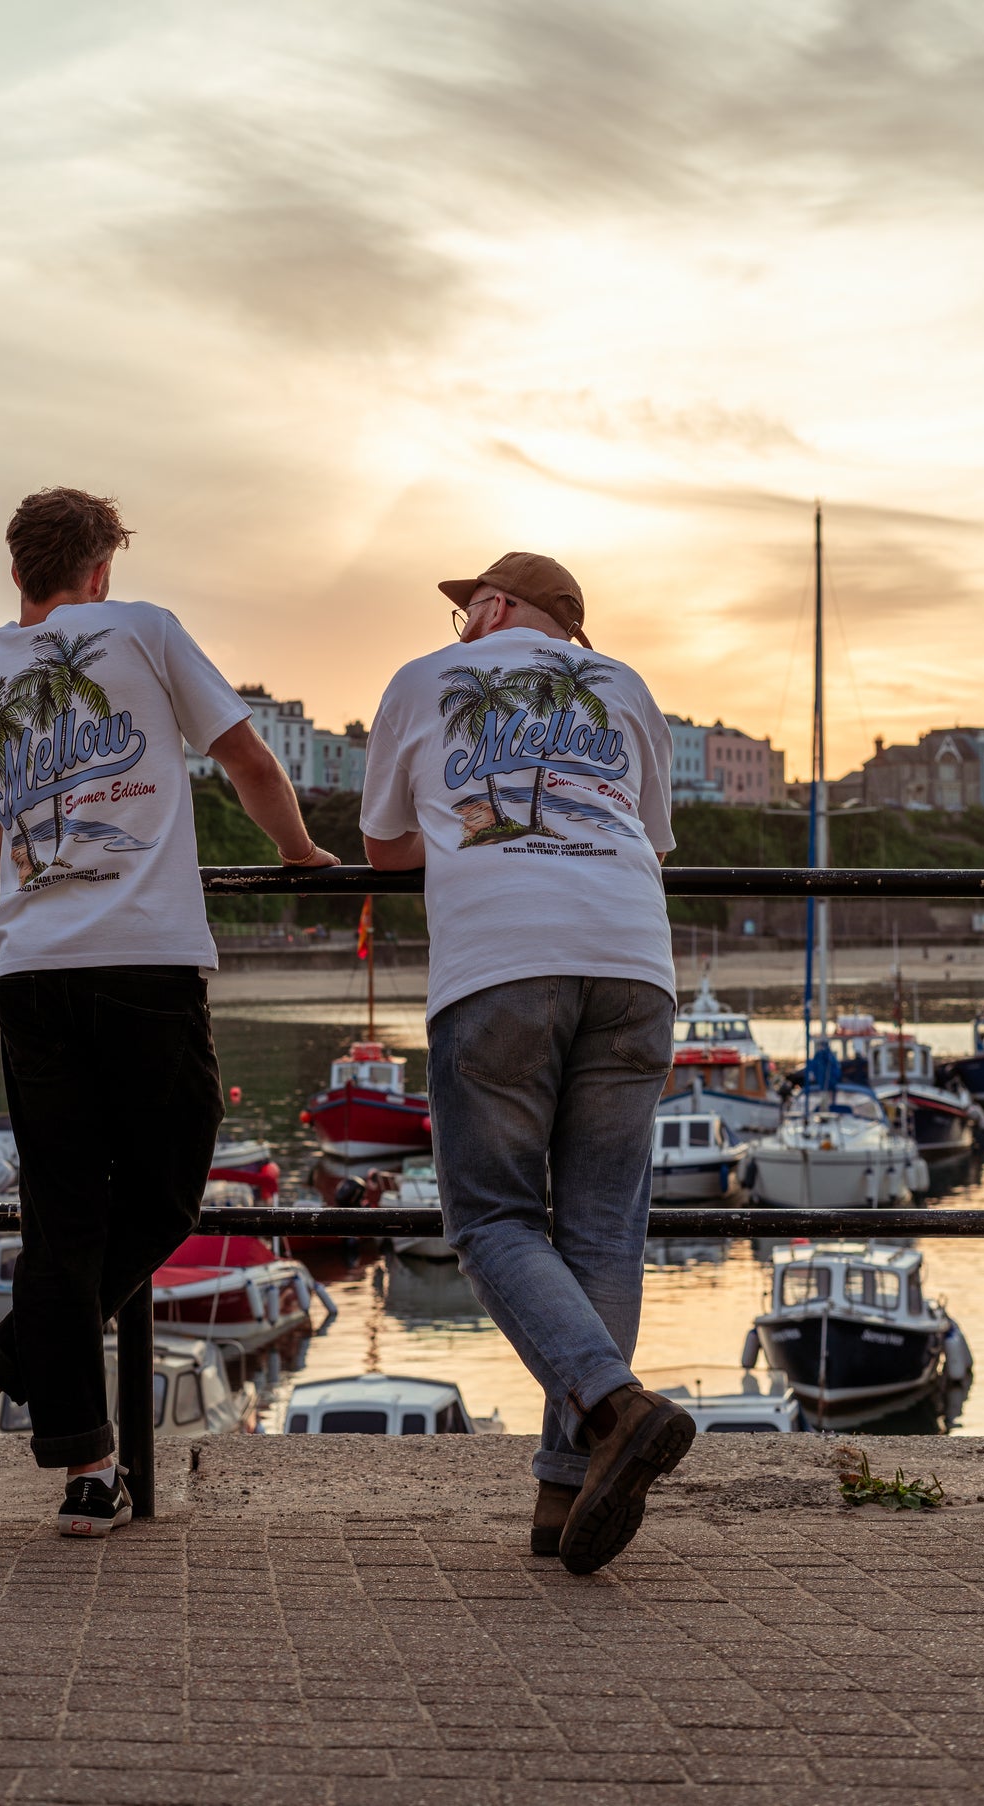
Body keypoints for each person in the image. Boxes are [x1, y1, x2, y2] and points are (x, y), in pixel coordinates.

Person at [0, 486, 336, 1537]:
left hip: (29, 967)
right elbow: (244, 756)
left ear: (16, 570)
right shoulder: (142, 632)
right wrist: (299, 854)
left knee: (63, 1217)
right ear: (99, 568)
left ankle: (80, 1469)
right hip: (142, 958)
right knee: (168, 1191)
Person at [360, 551, 693, 1575]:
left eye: (468, 606)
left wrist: (464, 826)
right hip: (632, 964)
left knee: (494, 1220)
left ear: (497, 607)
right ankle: (566, 1494)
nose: (460, 619)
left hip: (502, 969)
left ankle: (612, 1403)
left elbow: (382, 850)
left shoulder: (423, 680)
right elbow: (642, 835)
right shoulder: (624, 688)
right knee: (598, 1225)